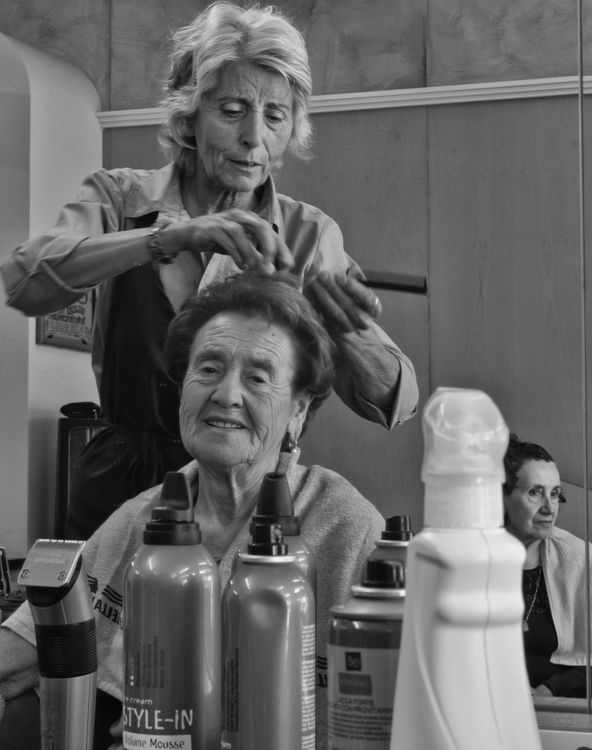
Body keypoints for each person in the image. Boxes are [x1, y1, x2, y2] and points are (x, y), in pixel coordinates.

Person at [0, 1, 418, 540]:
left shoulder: (310, 235)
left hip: (248, 489)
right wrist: (170, 237)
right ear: (188, 116)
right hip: (120, 481)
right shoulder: (120, 197)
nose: (254, 137)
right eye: (233, 110)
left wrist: (344, 328)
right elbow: (26, 282)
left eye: (275, 116)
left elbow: (395, 401)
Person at [0, 272, 385, 750]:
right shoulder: (139, 518)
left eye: (257, 377)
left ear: (298, 412)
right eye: (207, 369)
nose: (225, 394)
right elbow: (29, 647)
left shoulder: (347, 527)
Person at [503, 433, 592, 698]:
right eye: (535, 492)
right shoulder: (467, 560)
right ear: (501, 497)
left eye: (554, 494)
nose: (549, 507)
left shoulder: (581, 557)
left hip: (558, 705)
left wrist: (549, 691)